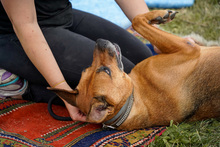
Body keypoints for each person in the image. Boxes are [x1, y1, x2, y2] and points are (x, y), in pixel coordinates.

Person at [0, 0, 152, 121]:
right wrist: (66, 94)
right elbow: (26, 26)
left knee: (146, 65)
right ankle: (20, 86)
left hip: (60, 15)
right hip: (15, 32)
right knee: (126, 89)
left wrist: (152, 30)